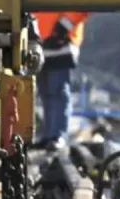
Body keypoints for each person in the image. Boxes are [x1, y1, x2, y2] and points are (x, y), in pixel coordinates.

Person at [32, 12, 90, 151]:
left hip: (60, 40)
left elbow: (82, 3)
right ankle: (49, 136)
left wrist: (64, 25)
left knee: (57, 90)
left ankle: (57, 135)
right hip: (39, 40)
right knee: (46, 92)